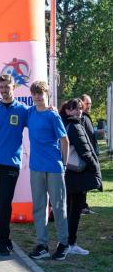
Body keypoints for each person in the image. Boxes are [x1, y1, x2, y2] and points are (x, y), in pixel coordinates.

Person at [0, 74, 28, 256]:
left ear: (13, 87)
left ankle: (4, 240)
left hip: (11, 165)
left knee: (4, 204)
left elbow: (39, 116)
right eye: (1, 87)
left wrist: (50, 107)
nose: (3, 90)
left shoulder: (24, 110)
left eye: (6, 87)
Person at [26, 81, 70, 261]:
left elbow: (64, 141)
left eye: (41, 93)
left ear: (47, 94)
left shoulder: (53, 115)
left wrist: (64, 165)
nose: (37, 96)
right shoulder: (29, 112)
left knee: (58, 206)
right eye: (35, 93)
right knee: (39, 207)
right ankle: (42, 244)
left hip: (54, 167)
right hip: (36, 167)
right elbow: (11, 107)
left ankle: (64, 243)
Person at [60, 99, 102, 256]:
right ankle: (70, 243)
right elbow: (86, 152)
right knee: (75, 210)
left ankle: (65, 241)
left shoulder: (65, 124)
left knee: (69, 209)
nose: (78, 112)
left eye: (79, 109)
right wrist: (95, 168)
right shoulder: (75, 126)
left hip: (68, 173)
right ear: (67, 111)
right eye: (74, 109)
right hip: (78, 173)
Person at [80, 94, 99, 215]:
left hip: (89, 154)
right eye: (87, 104)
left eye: (90, 104)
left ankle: (83, 206)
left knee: (86, 182)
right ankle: (82, 206)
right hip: (84, 156)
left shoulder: (86, 117)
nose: (89, 106)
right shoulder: (81, 117)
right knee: (82, 182)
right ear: (81, 103)